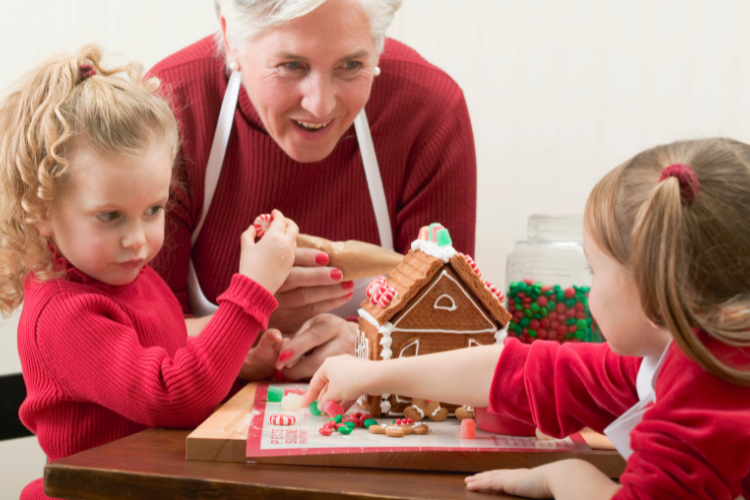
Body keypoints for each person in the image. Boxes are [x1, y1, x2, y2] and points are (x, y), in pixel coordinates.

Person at [303, 138, 750, 499]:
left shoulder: (704, 393)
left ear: (654, 287)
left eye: (594, 272)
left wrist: (567, 478)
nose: (586, 287)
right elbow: (535, 373)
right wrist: (370, 374)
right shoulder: (685, 355)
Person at [0, 46, 298, 500]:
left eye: (153, 209)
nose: (138, 240)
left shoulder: (130, 276)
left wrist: (236, 367)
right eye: (110, 216)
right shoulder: (63, 317)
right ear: (43, 211)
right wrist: (252, 290)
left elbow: (169, 364)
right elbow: (171, 396)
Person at [148, 0, 478, 381]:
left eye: (351, 65)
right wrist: (248, 317)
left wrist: (364, 343)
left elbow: (454, 324)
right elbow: (135, 337)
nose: (320, 104)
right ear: (232, 39)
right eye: (292, 65)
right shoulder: (171, 106)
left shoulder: (428, 111)